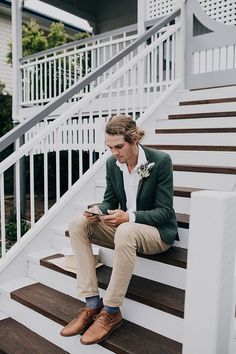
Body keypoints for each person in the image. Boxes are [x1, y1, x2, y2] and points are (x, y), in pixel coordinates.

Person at [60, 114, 178, 345]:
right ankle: (92, 304)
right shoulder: (112, 164)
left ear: (134, 140)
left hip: (155, 233)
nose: (114, 152)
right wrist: (98, 209)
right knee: (78, 223)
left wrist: (129, 216)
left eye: (119, 146)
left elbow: (165, 211)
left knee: (125, 230)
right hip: (127, 228)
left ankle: (111, 311)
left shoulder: (161, 160)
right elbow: (110, 200)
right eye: (110, 147)